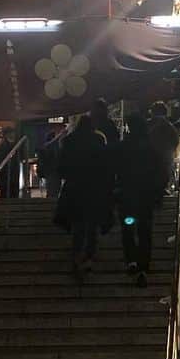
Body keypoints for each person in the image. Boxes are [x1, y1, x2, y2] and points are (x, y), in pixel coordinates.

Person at [55, 115, 115, 278]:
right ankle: (89, 257)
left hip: (75, 188)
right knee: (92, 225)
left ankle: (77, 256)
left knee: (78, 225)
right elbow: (106, 165)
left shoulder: (69, 141)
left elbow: (62, 166)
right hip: (94, 188)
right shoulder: (98, 140)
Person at [115, 114, 164, 286]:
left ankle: (132, 260)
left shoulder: (123, 147)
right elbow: (160, 173)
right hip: (145, 199)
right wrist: (157, 194)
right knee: (144, 230)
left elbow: (115, 169)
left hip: (128, 199)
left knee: (128, 227)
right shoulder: (151, 149)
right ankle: (144, 263)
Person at [147, 101, 180, 193]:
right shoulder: (170, 126)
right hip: (166, 159)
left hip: (149, 160)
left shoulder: (147, 125)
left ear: (152, 112)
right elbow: (175, 141)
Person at [0, 127, 21, 199]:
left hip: (10, 177)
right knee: (8, 194)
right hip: (7, 177)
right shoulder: (5, 149)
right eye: (11, 134)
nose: (12, 135)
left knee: (9, 194)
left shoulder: (13, 147)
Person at [38, 128, 64, 199]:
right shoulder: (52, 146)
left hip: (50, 172)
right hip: (53, 171)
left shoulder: (47, 146)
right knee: (53, 191)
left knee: (52, 191)